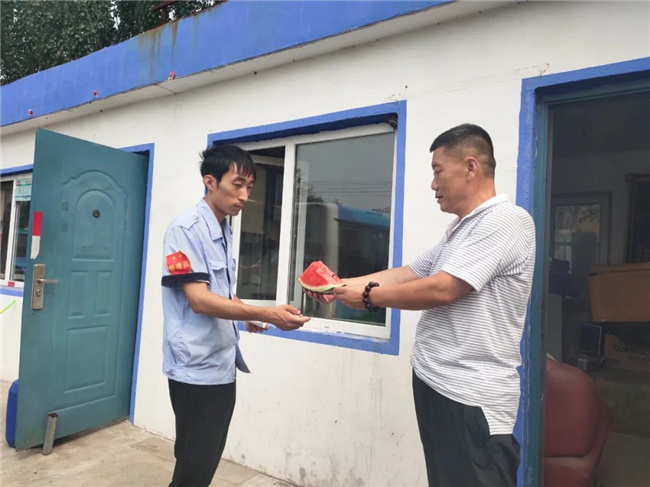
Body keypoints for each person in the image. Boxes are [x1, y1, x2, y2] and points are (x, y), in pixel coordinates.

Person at [306, 124, 536, 487]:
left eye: (438, 171)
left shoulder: (506, 221)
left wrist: (366, 297)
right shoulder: (460, 230)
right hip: (439, 385)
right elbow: (409, 273)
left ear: (470, 167)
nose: (433, 184)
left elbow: (443, 288)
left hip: (470, 396)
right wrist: (339, 286)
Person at [161, 145, 310, 487]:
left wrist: (245, 317)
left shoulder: (224, 228)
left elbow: (222, 292)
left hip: (222, 365)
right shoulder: (186, 229)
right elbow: (199, 300)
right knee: (193, 471)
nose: (245, 196)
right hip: (196, 370)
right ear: (210, 182)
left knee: (201, 462)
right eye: (237, 185)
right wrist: (267, 313)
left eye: (250, 187)